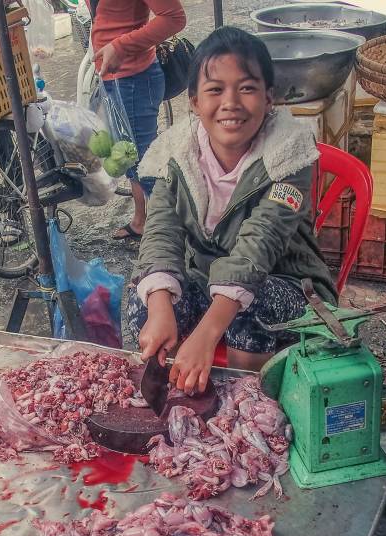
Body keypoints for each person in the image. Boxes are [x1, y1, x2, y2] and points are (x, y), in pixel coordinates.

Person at [127, 27, 337, 392]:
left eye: (247, 88)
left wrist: (207, 334)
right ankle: (176, 397)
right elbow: (161, 230)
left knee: (248, 306)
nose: (231, 102)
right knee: (142, 301)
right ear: (193, 102)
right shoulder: (176, 156)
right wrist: (160, 306)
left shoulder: (290, 154)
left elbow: (260, 245)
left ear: (269, 98)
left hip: (289, 286)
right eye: (215, 89)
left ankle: (248, 404)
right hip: (206, 281)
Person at [90, 0, 186, 242]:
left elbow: (174, 17)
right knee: (132, 159)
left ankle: (173, 236)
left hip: (134, 81)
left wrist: (120, 46)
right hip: (116, 79)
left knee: (147, 165)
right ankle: (142, 220)